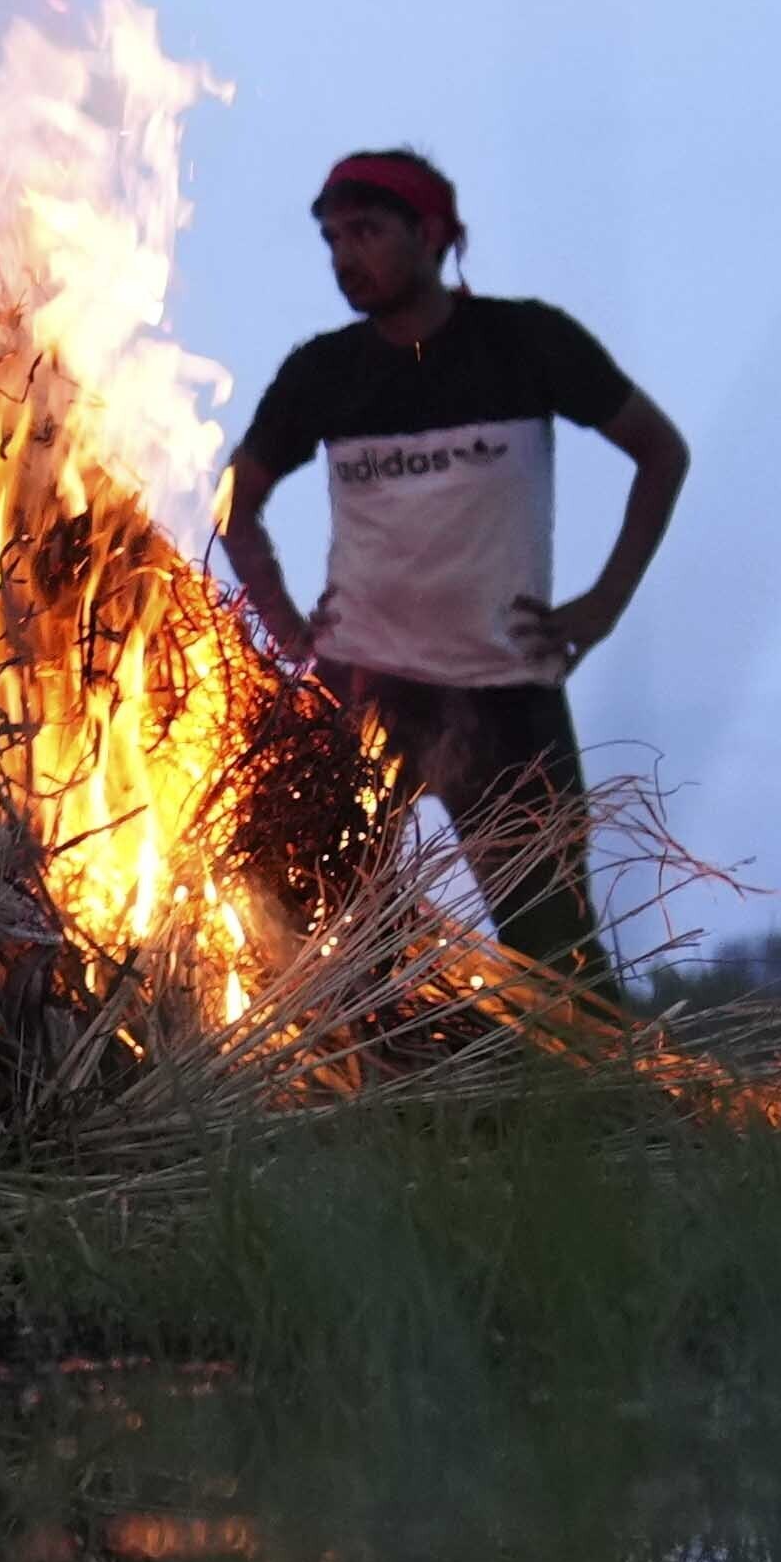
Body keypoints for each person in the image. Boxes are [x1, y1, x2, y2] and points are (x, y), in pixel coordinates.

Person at [212, 146, 689, 1001]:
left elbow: (660, 452)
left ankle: (618, 1127)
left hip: (504, 695)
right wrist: (288, 631)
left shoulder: (526, 343)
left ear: (432, 233)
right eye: (331, 239)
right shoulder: (323, 372)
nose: (345, 256)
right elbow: (234, 508)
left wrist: (602, 605)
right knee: (317, 935)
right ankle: (367, 1112)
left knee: (555, 949)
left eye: (366, 231)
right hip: (362, 694)